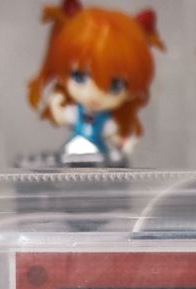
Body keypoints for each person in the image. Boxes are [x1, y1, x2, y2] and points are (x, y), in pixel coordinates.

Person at [27, 0, 164, 165]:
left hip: (100, 157)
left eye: (115, 86)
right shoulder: (75, 113)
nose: (93, 94)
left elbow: (116, 133)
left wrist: (124, 141)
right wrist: (56, 104)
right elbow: (62, 116)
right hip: (74, 152)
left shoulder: (108, 123)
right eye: (79, 76)